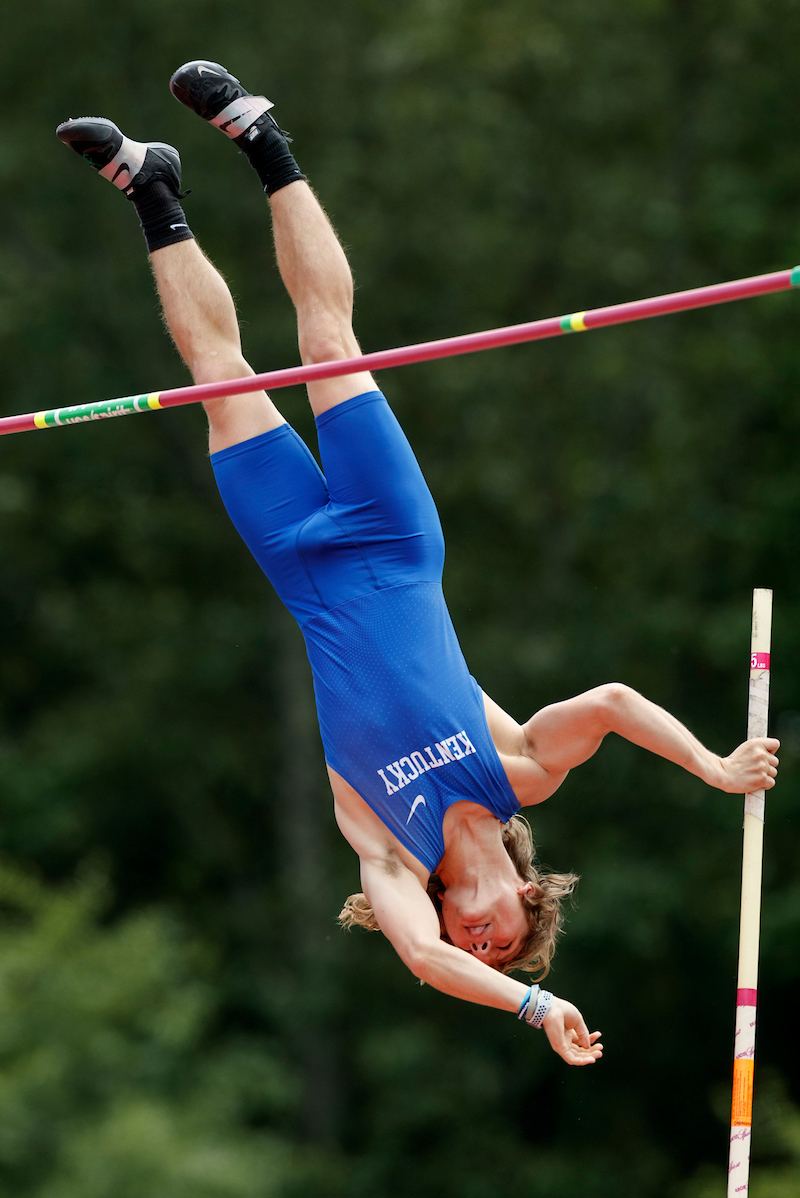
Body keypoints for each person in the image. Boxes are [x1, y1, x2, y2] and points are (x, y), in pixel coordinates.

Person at [56, 62, 779, 1067]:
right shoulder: (518, 768)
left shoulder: (385, 851)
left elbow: (427, 959)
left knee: (217, 379)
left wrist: (530, 1010)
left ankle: (152, 189)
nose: (477, 944)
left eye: (480, 950)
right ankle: (260, 137)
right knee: (326, 340)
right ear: (529, 895)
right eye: (505, 944)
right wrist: (711, 767)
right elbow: (611, 701)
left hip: (301, 572)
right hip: (394, 541)